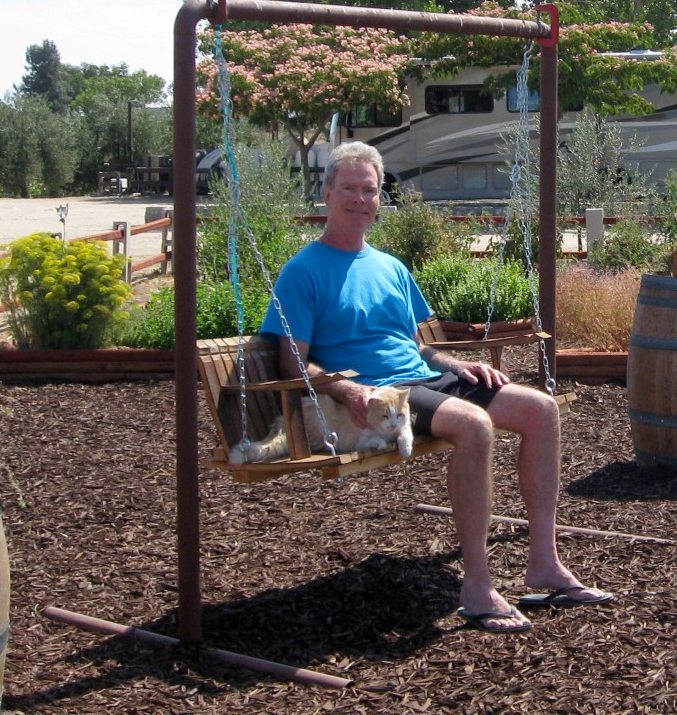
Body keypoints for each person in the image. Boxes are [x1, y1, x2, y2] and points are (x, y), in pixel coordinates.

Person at [260, 142, 612, 634]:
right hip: (380, 391)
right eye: (349, 189)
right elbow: (291, 358)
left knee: (539, 409)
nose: (360, 199)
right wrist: (345, 390)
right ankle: (477, 585)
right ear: (326, 194)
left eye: (370, 190)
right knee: (474, 425)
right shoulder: (303, 271)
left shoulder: (390, 267)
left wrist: (460, 363)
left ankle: (544, 564)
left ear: (381, 198)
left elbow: (420, 348)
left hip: (422, 376)